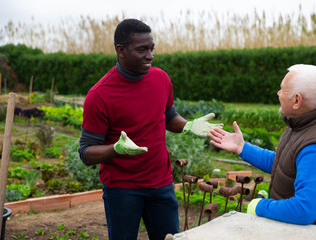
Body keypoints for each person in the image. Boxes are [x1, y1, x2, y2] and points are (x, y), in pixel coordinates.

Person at [78, 18, 223, 240]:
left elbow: (169, 117)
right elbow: (86, 153)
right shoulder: (100, 95)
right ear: (121, 50)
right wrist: (117, 149)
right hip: (122, 189)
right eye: (142, 49)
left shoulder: (160, 78)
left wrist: (189, 125)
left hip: (161, 184)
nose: (150, 55)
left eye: (152, 48)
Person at [209, 64, 316, 231]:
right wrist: (242, 148)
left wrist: (259, 206)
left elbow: (304, 210)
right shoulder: (305, 123)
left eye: (282, 90)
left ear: (297, 100)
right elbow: (285, 164)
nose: (278, 94)